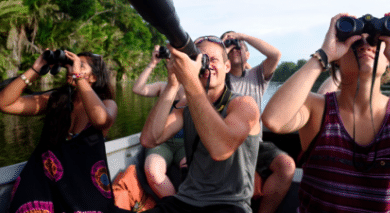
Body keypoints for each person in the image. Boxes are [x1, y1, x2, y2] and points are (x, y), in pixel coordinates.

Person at [262, 13, 390, 212]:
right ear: (337, 60)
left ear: (387, 60)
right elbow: (273, 119)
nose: (365, 44)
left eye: (375, 41)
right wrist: (324, 54)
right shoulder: (317, 108)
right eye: (355, 40)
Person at [140, 36, 260, 213]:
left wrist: (190, 81)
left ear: (227, 67)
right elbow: (149, 139)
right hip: (185, 200)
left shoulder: (244, 104)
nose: (207, 65)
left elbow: (221, 149)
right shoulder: (186, 107)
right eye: (200, 60)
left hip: (230, 204)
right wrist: (173, 84)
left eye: (213, 60)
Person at [0, 50, 125, 212]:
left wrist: (78, 76)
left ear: (93, 77)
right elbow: (4, 104)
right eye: (71, 66)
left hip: (84, 185)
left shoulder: (107, 104)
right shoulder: (56, 99)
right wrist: (36, 69)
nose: (72, 69)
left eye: (81, 66)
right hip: (42, 180)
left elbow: (101, 120)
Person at [221, 31, 296, 213]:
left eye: (240, 47)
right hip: (228, 146)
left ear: (248, 55)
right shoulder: (219, 80)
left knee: (286, 166)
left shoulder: (257, 76)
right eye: (231, 47)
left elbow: (275, 54)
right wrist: (223, 47)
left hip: (256, 144)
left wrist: (242, 37)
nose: (236, 48)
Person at [133, 45, 186, 198]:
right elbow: (138, 89)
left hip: (184, 143)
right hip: (161, 143)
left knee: (189, 167)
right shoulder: (163, 87)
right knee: (152, 170)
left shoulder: (192, 88)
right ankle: (174, 206)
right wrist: (152, 63)